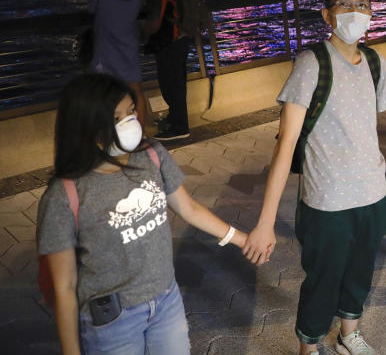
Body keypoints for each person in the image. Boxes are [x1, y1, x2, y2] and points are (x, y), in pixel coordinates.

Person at [242, 0, 386, 355]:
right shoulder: (311, 63)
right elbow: (286, 143)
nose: (355, 12)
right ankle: (309, 346)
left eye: (363, 5)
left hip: (373, 194)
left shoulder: (374, 61)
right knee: (323, 279)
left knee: (359, 271)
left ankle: (348, 335)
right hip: (327, 201)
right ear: (327, 15)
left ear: (372, 13)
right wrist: (266, 222)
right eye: (345, 4)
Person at [37, 73, 247, 355]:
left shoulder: (151, 155)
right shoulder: (64, 195)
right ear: (87, 127)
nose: (129, 123)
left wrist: (242, 239)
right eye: (116, 118)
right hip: (112, 320)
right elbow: (65, 286)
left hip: (166, 301)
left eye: (131, 111)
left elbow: (189, 208)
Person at [136, 0, 190, 141]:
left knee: (170, 85)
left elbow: (154, 23)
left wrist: (143, 35)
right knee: (177, 84)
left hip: (169, 43)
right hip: (183, 39)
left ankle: (179, 127)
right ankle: (177, 121)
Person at [88, 0, 147, 126]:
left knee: (104, 94)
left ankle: (107, 133)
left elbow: (90, 8)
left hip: (106, 53)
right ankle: (140, 131)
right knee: (136, 92)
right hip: (128, 50)